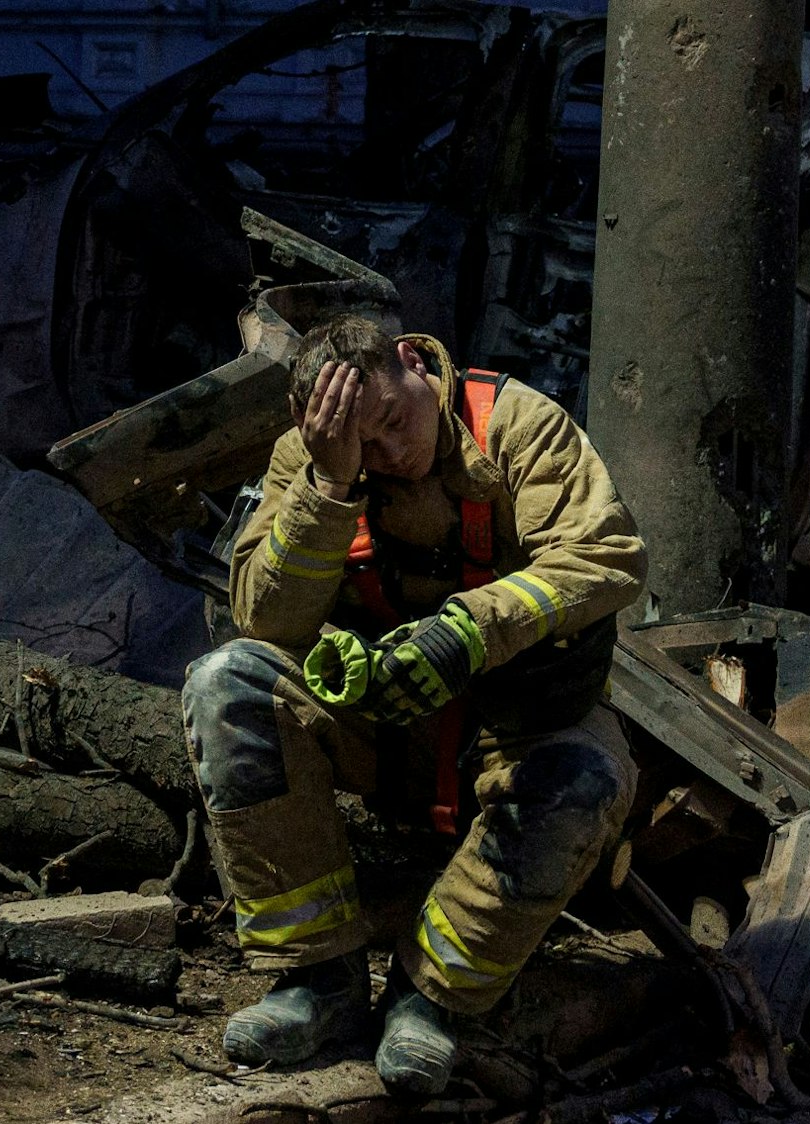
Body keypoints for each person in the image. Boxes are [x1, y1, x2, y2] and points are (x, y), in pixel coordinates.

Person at [180, 313, 646, 1094]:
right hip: (378, 721)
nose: (389, 456)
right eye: (362, 445)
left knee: (587, 778)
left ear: (412, 362)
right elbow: (265, 617)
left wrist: (469, 628)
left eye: (393, 423)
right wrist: (329, 485)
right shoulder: (314, 452)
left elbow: (604, 556)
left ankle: (431, 997)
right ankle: (314, 982)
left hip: (515, 722)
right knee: (227, 684)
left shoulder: (517, 424)